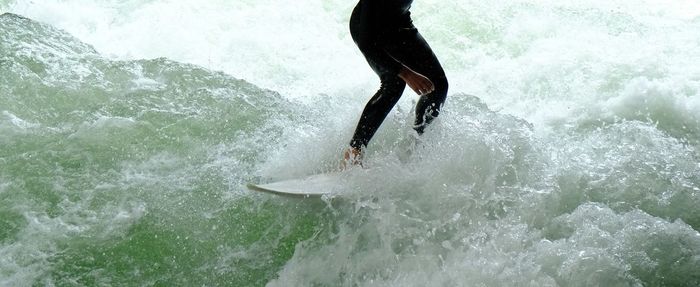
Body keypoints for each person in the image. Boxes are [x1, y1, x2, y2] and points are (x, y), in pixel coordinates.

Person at [343, 0, 448, 166]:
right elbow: (367, 43)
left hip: (400, 21)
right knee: (394, 84)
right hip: (369, 29)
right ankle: (352, 156)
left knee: (438, 85)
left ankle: (413, 148)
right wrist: (406, 73)